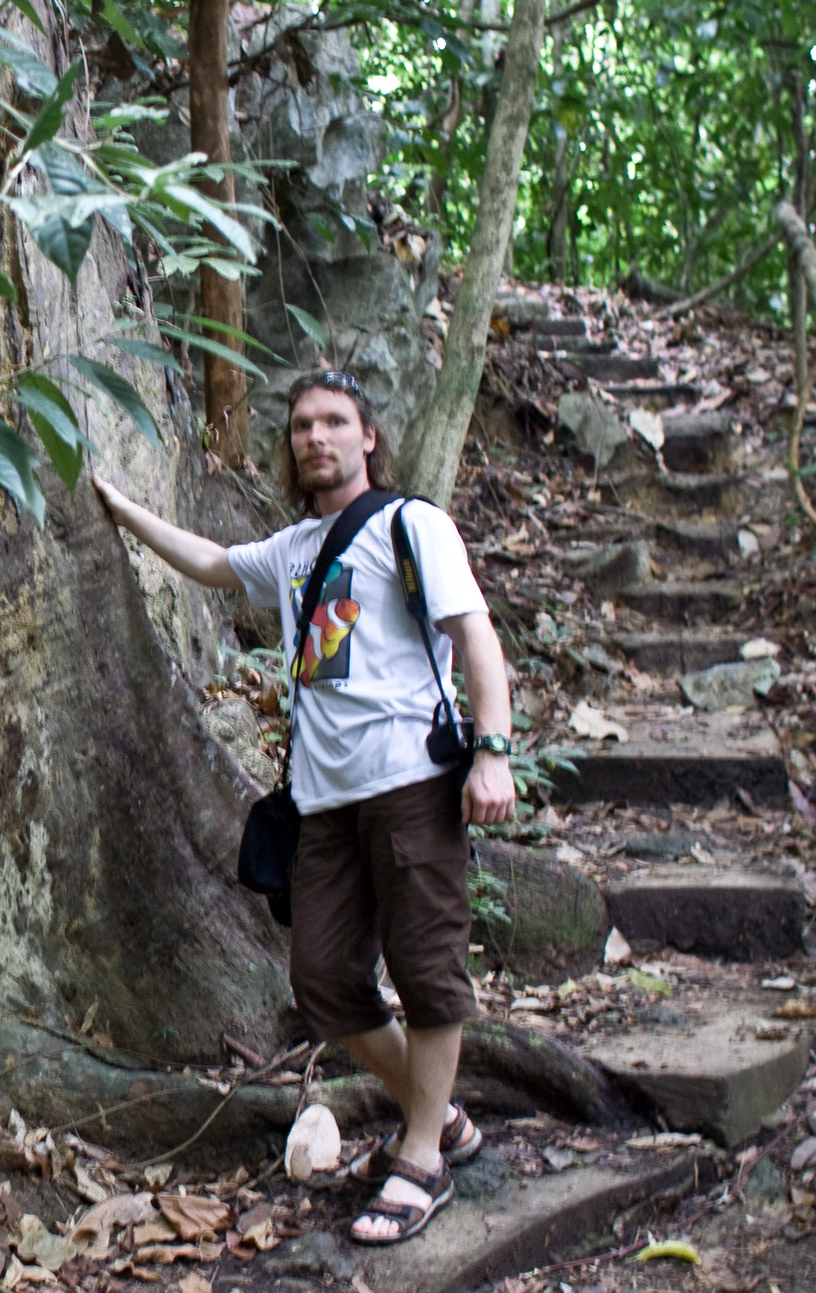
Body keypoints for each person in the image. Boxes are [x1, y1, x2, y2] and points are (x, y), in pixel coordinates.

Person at [92, 369, 515, 1246]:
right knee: (323, 980)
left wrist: (492, 752)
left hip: (407, 787)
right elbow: (213, 563)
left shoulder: (411, 525)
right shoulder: (292, 549)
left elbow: (476, 633)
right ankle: (437, 1119)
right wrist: (124, 510)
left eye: (334, 422)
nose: (315, 437)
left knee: (429, 975)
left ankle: (422, 1157)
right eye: (300, 426)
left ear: (368, 438)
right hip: (323, 806)